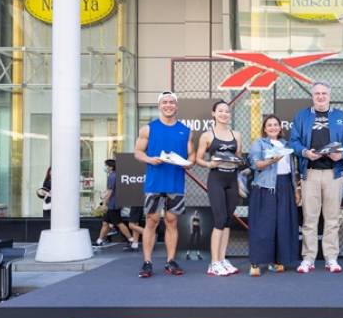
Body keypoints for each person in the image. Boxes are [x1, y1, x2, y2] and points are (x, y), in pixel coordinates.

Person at [290, 81, 343, 274]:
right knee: (309, 219)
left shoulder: (340, 116)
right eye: (317, 93)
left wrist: (341, 154)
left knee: (332, 218)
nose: (321, 96)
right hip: (310, 172)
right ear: (312, 96)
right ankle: (308, 258)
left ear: (329, 95)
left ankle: (331, 258)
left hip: (334, 173)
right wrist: (305, 152)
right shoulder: (302, 116)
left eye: (324, 93)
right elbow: (294, 141)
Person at [134, 91, 195, 278]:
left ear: (176, 106)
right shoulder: (148, 129)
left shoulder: (186, 130)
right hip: (155, 183)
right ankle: (147, 262)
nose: (168, 105)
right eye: (165, 102)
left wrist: (190, 162)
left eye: (171, 102)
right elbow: (138, 152)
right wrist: (150, 159)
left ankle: (170, 261)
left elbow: (191, 154)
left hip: (175, 183)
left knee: (172, 221)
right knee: (151, 221)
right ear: (159, 105)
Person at [248, 115, 300, 277]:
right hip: (266, 187)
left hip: (285, 186)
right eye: (269, 125)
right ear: (264, 129)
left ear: (280, 127)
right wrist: (271, 160)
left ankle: (277, 261)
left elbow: (293, 170)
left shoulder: (287, 145)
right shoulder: (259, 143)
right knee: (263, 226)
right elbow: (255, 164)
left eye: (275, 124)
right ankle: (255, 262)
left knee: (283, 225)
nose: (273, 127)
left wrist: (296, 190)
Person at [195, 100, 243, 277]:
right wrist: (210, 164)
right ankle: (213, 263)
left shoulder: (236, 135)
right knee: (220, 219)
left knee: (228, 220)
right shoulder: (207, 135)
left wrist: (237, 162)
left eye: (227, 111)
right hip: (216, 179)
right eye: (220, 111)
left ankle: (222, 259)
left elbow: (239, 157)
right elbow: (198, 159)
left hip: (232, 179)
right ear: (213, 113)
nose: (224, 114)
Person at [95, 159, 134, 247]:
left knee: (118, 223)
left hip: (113, 204)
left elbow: (110, 191)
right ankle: (99, 241)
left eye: (106, 165)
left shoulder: (112, 176)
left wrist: (104, 203)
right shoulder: (116, 175)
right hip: (114, 203)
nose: (105, 167)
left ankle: (131, 240)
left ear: (111, 167)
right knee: (105, 222)